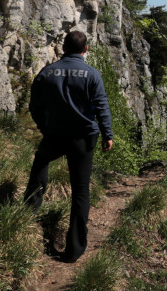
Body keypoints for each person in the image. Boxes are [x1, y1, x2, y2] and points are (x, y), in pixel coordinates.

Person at [25, 29, 113, 263]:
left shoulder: (47, 72)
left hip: (55, 134)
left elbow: (34, 104)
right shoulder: (92, 74)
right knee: (81, 190)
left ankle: (28, 214)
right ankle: (74, 249)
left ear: (63, 48)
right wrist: (108, 134)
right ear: (85, 50)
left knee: (41, 164)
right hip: (83, 138)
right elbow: (102, 106)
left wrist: (44, 126)